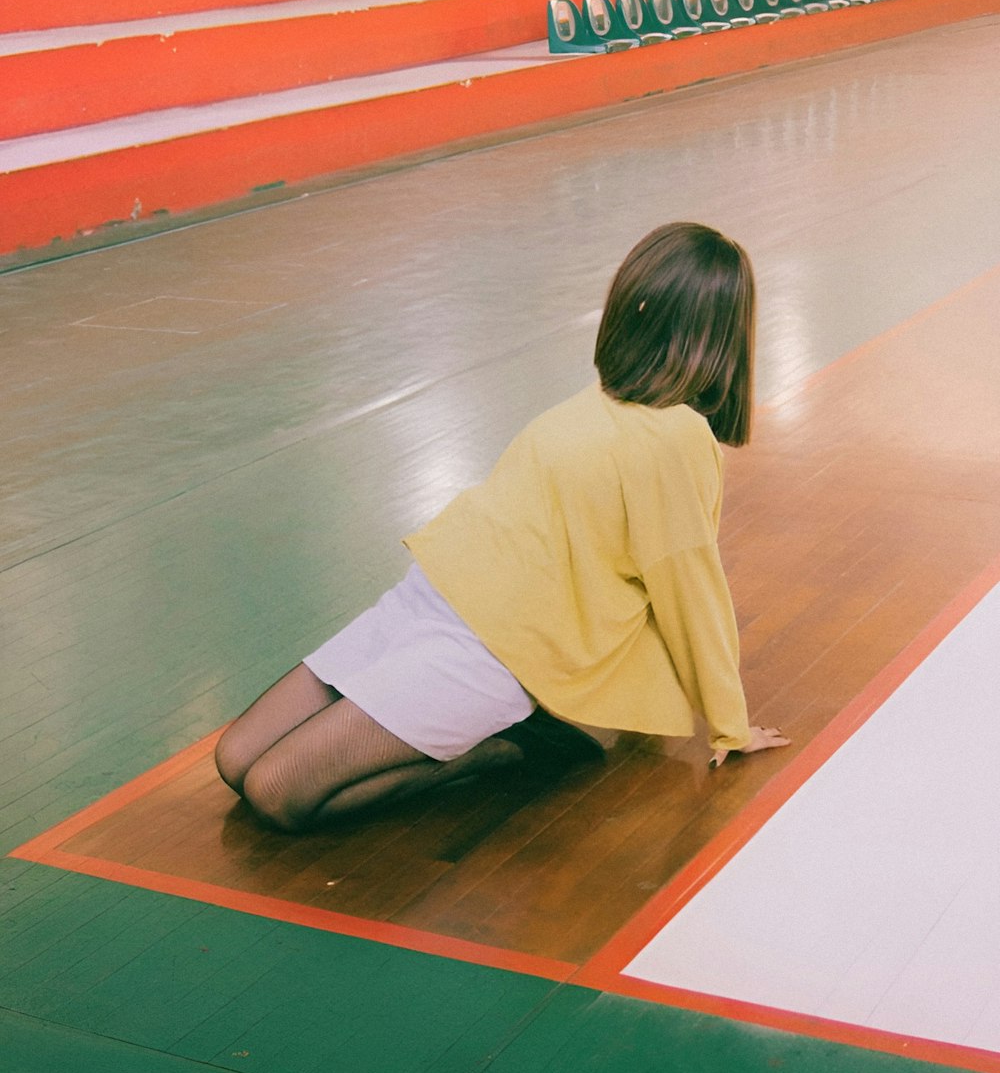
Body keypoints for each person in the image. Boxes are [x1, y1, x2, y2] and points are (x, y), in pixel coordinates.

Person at [215, 222, 789, 832]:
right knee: (234, 759)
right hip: (430, 600)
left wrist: (729, 723)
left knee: (277, 792)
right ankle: (489, 732)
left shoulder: (678, 437)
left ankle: (501, 748)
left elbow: (688, 585)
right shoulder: (605, 397)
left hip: (492, 655)